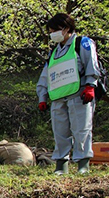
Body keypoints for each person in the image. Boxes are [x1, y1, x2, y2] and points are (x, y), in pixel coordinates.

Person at [36, 13, 101, 175]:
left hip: (79, 95)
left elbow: (91, 65)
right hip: (58, 98)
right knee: (60, 132)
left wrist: (90, 86)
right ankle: (61, 165)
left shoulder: (82, 44)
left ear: (66, 28)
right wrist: (42, 97)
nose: (52, 34)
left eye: (55, 30)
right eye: (50, 31)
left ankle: (83, 164)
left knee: (81, 130)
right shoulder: (54, 52)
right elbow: (45, 76)